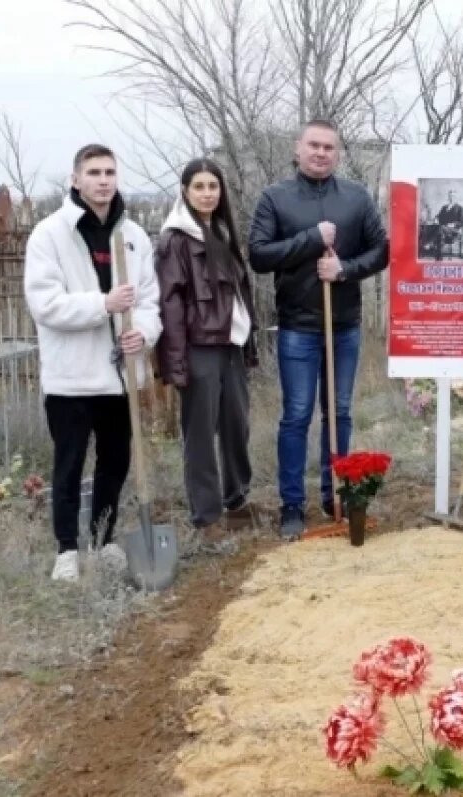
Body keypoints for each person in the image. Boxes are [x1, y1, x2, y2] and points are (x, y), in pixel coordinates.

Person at [24, 143, 162, 582]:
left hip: (119, 376)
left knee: (115, 461)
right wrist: (102, 304)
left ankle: (104, 541)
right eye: (94, 172)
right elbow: (46, 305)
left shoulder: (134, 237)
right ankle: (66, 549)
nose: (103, 180)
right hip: (72, 377)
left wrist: (144, 331)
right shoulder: (50, 235)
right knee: (69, 464)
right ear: (75, 179)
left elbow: (150, 301)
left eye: (109, 172)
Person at [248, 119, 388, 540]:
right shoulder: (276, 198)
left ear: (338, 152)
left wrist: (345, 269)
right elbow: (258, 254)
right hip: (298, 328)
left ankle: (336, 494)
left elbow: (381, 251)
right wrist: (312, 239)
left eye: (329, 146)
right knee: (296, 416)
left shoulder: (356, 198)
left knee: (339, 412)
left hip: (343, 326)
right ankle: (292, 504)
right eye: (314, 145)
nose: (321, 152)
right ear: (298, 148)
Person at [155, 158, 258, 543]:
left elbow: (239, 296)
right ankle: (207, 516)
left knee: (236, 425)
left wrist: (247, 345)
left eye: (212, 186)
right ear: (185, 191)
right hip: (199, 349)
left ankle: (237, 501)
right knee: (200, 433)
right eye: (198, 186)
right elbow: (171, 305)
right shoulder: (175, 240)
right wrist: (177, 363)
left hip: (230, 346)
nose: (207, 193)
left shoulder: (222, 232)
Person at [437, 189, 463, 258]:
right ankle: (438, 254)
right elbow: (439, 217)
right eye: (450, 196)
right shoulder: (444, 207)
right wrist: (436, 219)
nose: (451, 198)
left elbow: (462, 222)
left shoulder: (460, 208)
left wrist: (453, 224)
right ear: (448, 197)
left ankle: (431, 245)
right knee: (438, 228)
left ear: (456, 197)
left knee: (439, 229)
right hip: (443, 229)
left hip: (454, 230)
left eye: (453, 196)